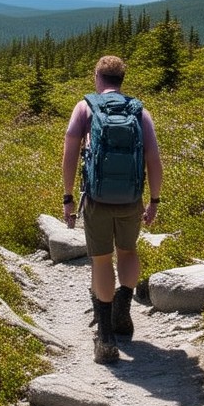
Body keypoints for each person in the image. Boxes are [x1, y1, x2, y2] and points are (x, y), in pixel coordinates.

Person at [62, 55, 163, 363]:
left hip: (96, 199)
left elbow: (69, 155)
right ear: (122, 78)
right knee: (128, 252)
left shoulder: (85, 108)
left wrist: (68, 199)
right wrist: (154, 200)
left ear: (97, 77)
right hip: (131, 199)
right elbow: (154, 161)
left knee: (102, 261)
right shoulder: (139, 111)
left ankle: (105, 338)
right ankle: (124, 308)